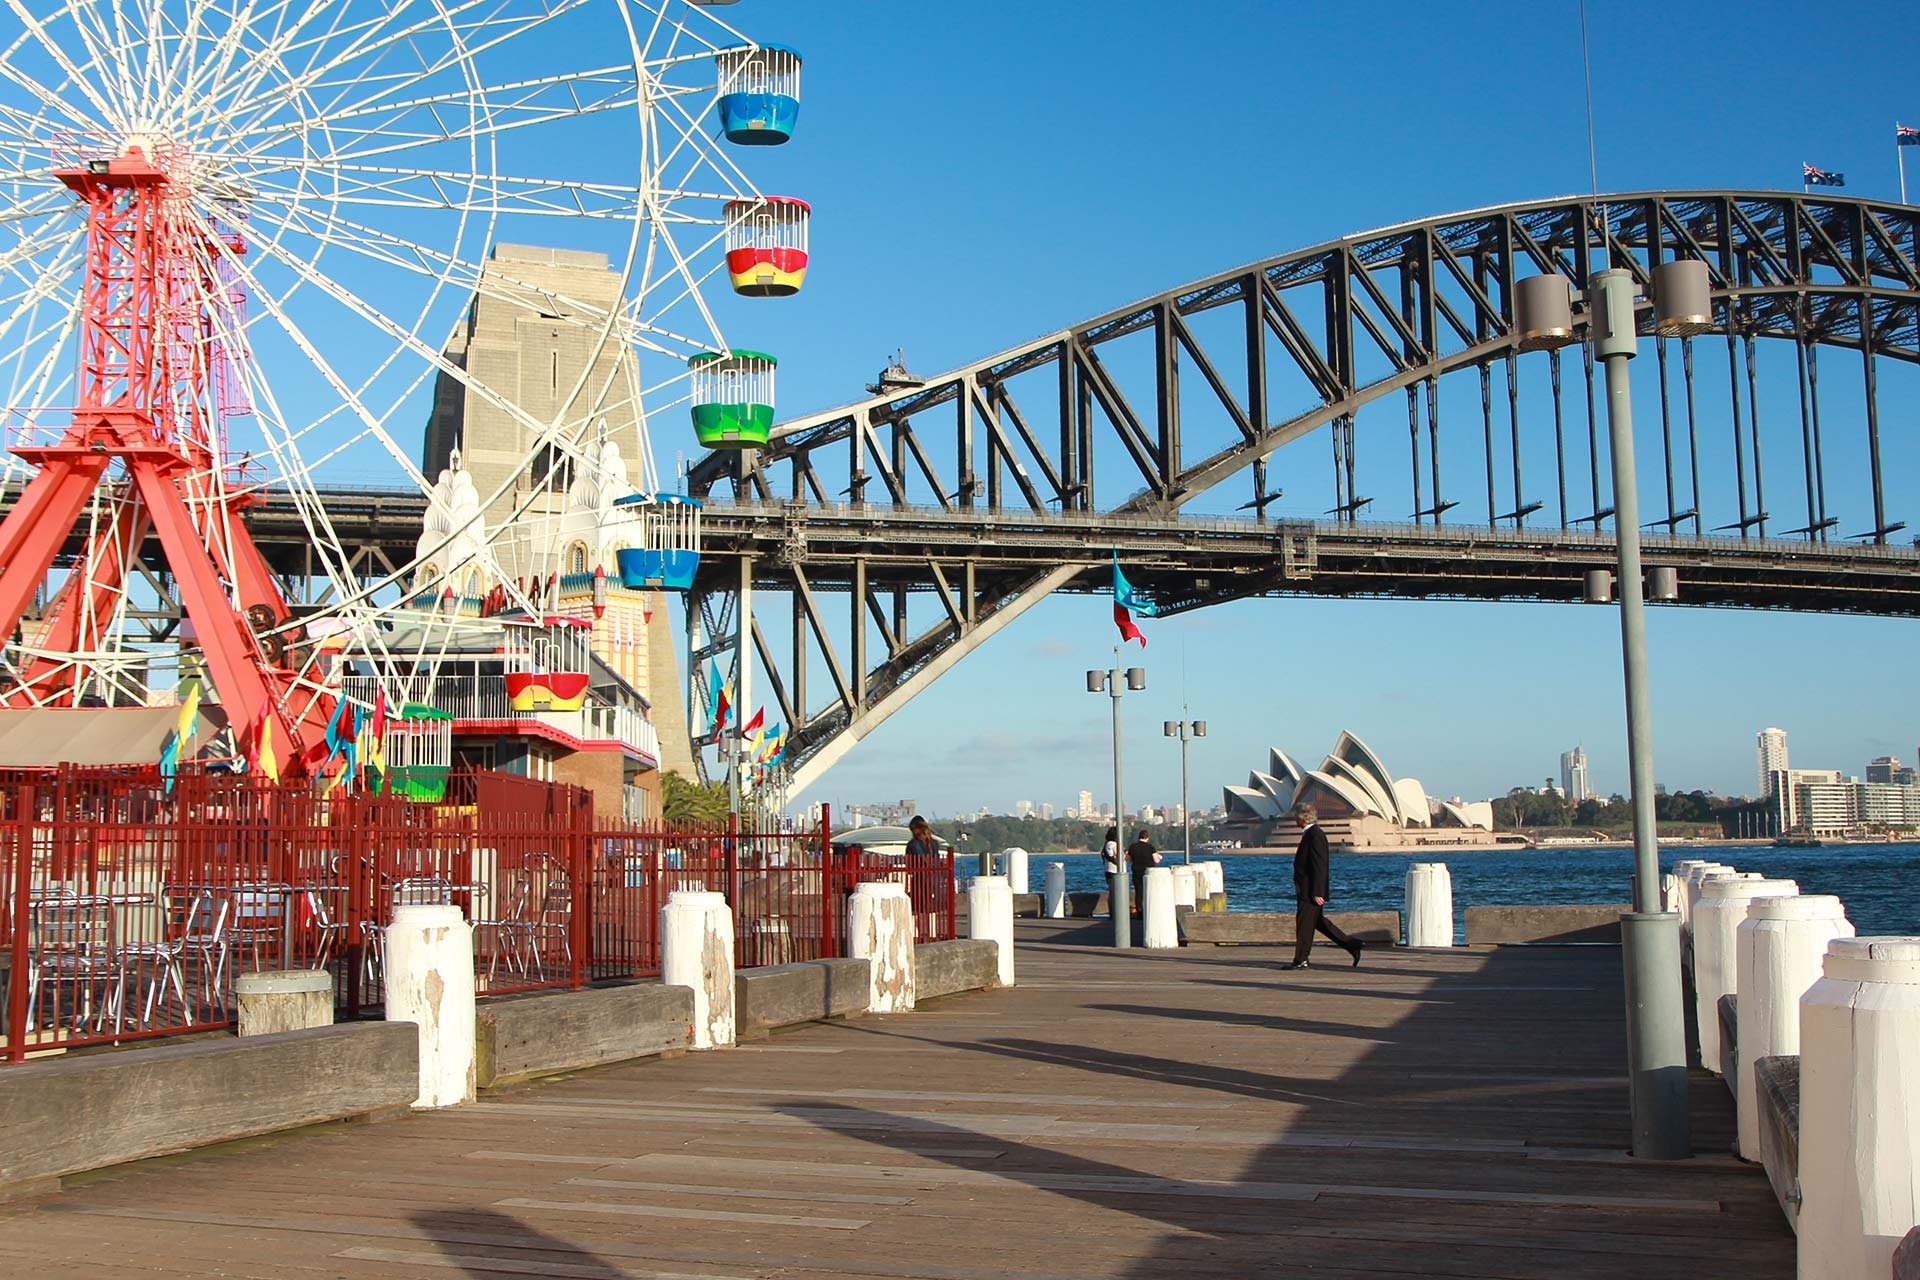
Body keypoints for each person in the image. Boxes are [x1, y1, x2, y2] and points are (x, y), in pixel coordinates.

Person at [1285, 803, 1361, 970]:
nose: (1294, 820)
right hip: (1307, 889)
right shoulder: (1310, 834)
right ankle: (1351, 944)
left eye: (1295, 817)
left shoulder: (1315, 835)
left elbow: (1320, 865)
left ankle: (1301, 959)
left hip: (1310, 891)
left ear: (1302, 818)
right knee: (1318, 922)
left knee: (1305, 924)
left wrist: (1318, 892)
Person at [1126, 828, 1159, 917]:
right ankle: (1149, 911)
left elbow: (1128, 859)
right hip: (1148, 872)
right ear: (1147, 837)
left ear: (1139, 837)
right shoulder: (1150, 847)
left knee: (1138, 892)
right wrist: (1159, 857)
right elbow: (1156, 860)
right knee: (1148, 892)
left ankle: (1139, 911)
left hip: (1136, 871)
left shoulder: (1132, 847)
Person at [1100, 826, 1121, 916]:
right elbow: (1116, 856)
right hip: (1114, 871)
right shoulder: (1112, 844)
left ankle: (1112, 913)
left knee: (1111, 892)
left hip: (1108, 870)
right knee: (1115, 892)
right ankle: (1114, 913)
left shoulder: (1106, 844)